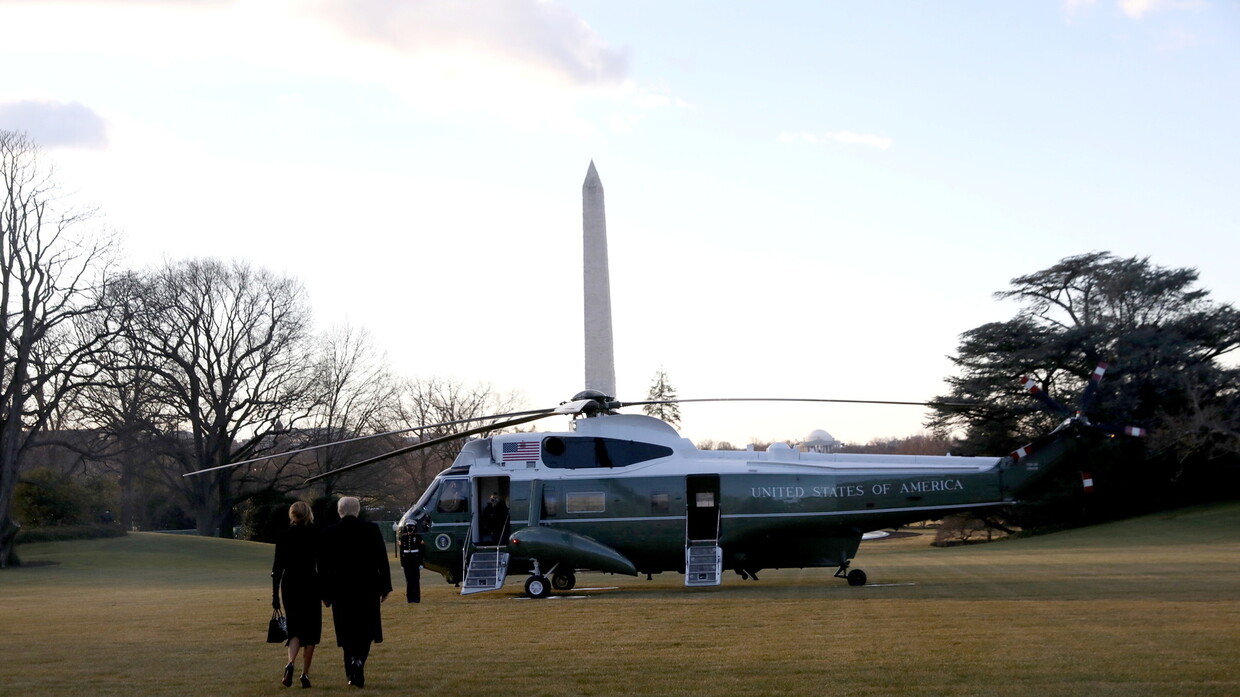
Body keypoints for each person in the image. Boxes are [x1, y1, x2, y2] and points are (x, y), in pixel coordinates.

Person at [319, 496, 392, 688]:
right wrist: (385, 587)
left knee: (346, 630)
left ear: (339, 511)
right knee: (366, 629)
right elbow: (382, 561)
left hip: (340, 589)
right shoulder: (372, 529)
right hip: (367, 587)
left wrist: (325, 593)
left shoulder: (329, 532)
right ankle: (359, 660)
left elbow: (323, 566)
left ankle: (351, 671)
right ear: (358, 510)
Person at [271, 501, 321, 688]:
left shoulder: (283, 536)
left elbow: (277, 568)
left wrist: (275, 596)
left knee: (295, 628)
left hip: (290, 584)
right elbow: (321, 564)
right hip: (310, 582)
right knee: (312, 630)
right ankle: (305, 674)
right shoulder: (315, 533)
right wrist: (325, 592)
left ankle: (290, 662)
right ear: (308, 514)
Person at [397, 523, 424, 603]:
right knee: (409, 580)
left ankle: (416, 598)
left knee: (415, 580)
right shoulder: (403, 537)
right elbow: (402, 552)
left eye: (411, 527)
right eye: (408, 527)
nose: (410, 529)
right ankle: (410, 598)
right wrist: (402, 563)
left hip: (415, 560)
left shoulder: (418, 537)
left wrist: (421, 563)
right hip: (407, 561)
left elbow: (421, 551)